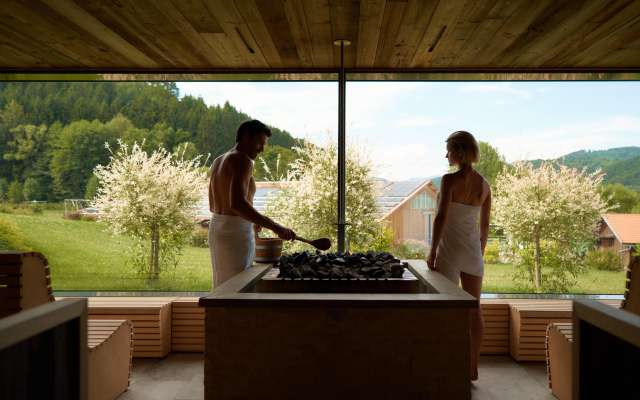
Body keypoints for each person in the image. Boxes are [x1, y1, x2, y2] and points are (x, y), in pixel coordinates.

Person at [426, 130, 491, 381]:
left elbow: (441, 217)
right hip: (472, 251)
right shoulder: (484, 185)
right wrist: (480, 252)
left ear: (460, 151)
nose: (446, 155)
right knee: (475, 310)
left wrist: (432, 252)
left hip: (450, 251)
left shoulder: (449, 181)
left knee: (445, 309)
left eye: (449, 150)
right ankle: (472, 367)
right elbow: (484, 226)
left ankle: (445, 360)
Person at [208, 119, 295, 287]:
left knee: (222, 285)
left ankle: (219, 314)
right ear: (247, 137)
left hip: (217, 228)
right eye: (259, 144)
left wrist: (253, 221)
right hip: (235, 232)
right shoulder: (243, 160)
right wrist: (276, 227)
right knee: (238, 287)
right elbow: (238, 204)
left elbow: (220, 201)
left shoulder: (219, 160)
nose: (262, 150)